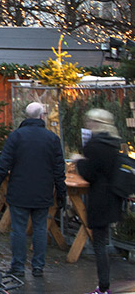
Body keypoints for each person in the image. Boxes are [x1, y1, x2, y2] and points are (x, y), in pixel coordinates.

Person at [0, 102, 66, 278]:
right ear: (41, 116)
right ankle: (38, 266)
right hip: (43, 190)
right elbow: (58, 169)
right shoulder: (52, 139)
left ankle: (18, 266)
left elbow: (3, 165)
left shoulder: (16, 136)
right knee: (39, 228)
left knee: (18, 229)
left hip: (19, 190)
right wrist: (61, 193)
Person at [76, 109, 125, 294]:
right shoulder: (113, 143)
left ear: (95, 123)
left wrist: (79, 161)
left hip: (99, 199)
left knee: (99, 244)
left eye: (89, 121)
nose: (87, 124)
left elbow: (90, 174)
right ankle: (103, 286)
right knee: (102, 242)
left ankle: (103, 287)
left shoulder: (94, 145)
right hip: (113, 197)